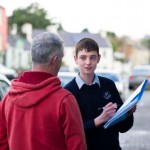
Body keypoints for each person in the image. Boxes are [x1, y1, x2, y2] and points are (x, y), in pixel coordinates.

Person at [0, 32, 87, 150]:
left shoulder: (8, 99)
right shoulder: (64, 101)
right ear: (55, 60)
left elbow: (2, 144)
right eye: (61, 58)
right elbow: (77, 146)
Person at [64, 38, 136, 150]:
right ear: (76, 59)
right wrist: (99, 120)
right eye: (83, 58)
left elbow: (122, 128)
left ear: (98, 58)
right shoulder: (68, 92)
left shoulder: (109, 85)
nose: (88, 62)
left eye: (92, 57)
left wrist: (128, 113)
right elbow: (70, 133)